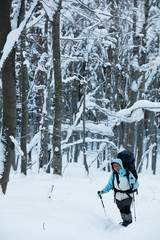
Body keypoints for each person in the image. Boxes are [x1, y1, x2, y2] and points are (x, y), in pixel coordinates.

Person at [98, 158, 139, 227]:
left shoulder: (127, 173)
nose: (116, 167)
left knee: (126, 208)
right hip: (118, 195)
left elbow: (136, 183)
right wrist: (102, 191)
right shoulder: (113, 175)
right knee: (121, 209)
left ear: (121, 165)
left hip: (127, 195)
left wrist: (133, 188)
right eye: (114, 166)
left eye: (117, 166)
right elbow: (110, 185)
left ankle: (129, 222)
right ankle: (125, 221)